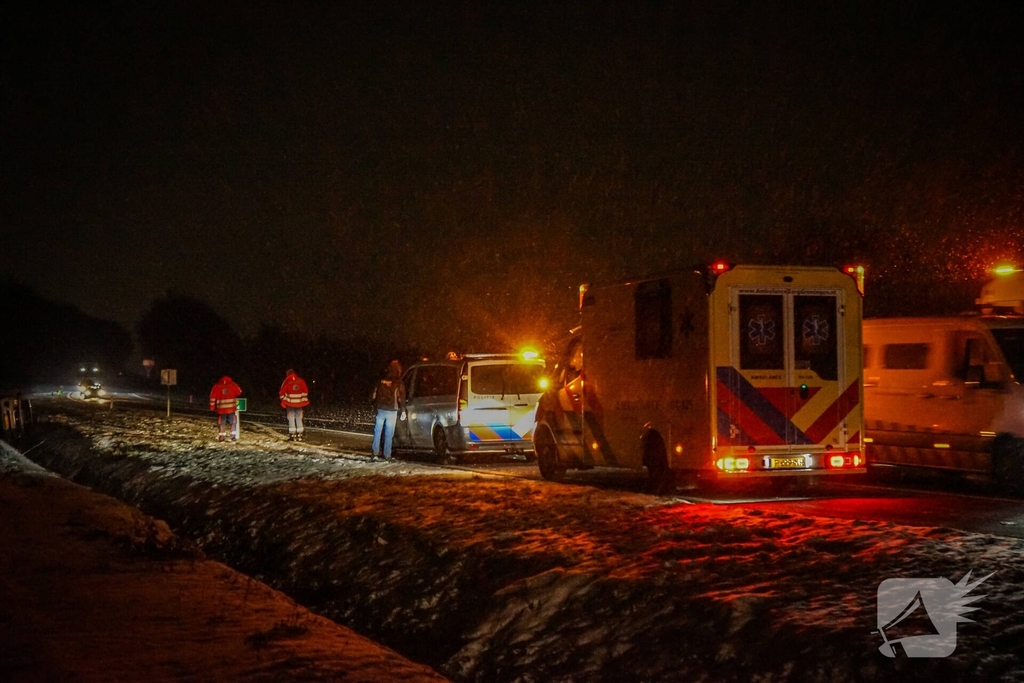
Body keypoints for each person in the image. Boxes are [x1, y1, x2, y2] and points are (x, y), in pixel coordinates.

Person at [370, 359, 405, 460]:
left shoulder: (381, 379)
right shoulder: (398, 381)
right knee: (389, 434)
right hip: (392, 410)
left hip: (381, 408)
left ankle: (375, 453)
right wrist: (403, 410)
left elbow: (374, 393)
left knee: (377, 431)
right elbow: (401, 396)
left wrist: (373, 403)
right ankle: (387, 454)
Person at [279, 369, 310, 441]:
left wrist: (283, 400)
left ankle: (292, 435)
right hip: (299, 403)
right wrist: (301, 399)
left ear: (288, 374)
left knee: (291, 417)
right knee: (299, 417)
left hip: (290, 403)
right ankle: (300, 435)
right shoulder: (301, 381)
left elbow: (282, 392)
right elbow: (305, 391)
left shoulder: (287, 381)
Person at [209, 376, 243, 442]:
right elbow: (239, 392)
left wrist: (212, 406)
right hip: (231, 408)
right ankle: (233, 436)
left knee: (221, 422)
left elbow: (212, 397)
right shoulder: (233, 385)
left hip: (221, 408)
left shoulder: (216, 386)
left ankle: (222, 436)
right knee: (233, 421)